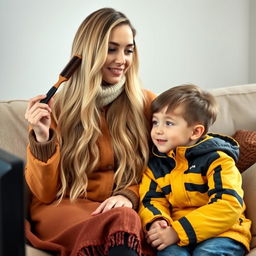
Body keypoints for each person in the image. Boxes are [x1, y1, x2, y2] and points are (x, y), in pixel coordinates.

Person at [24, 7, 156, 256]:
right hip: (65, 207)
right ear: (89, 53)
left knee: (127, 220)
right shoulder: (58, 108)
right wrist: (42, 138)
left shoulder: (146, 103)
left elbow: (164, 168)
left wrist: (129, 195)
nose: (122, 60)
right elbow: (44, 192)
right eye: (111, 48)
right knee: (120, 223)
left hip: (123, 206)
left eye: (129, 50)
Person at [139, 84, 252, 256]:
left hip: (223, 233)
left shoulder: (217, 159)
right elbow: (151, 201)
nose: (158, 130)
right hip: (174, 234)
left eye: (169, 123)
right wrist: (157, 222)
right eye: (155, 122)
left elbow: (228, 205)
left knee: (206, 253)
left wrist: (178, 231)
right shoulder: (156, 166)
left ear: (195, 132)